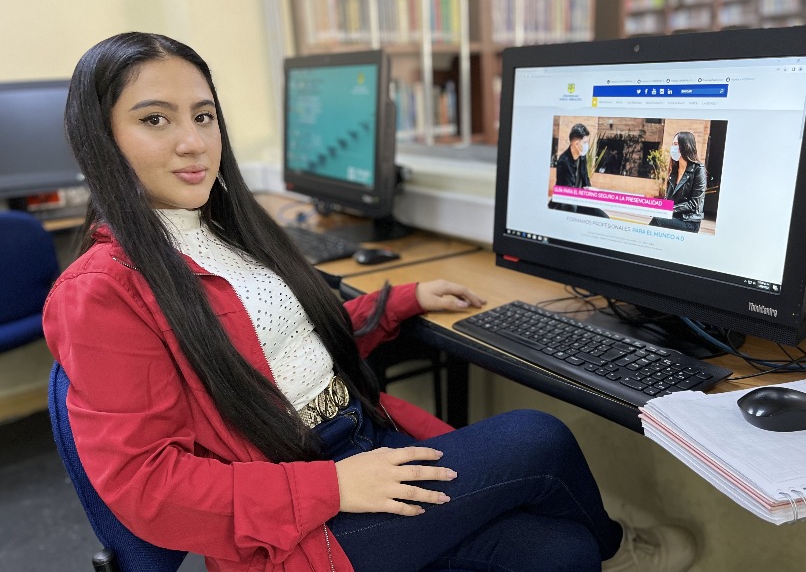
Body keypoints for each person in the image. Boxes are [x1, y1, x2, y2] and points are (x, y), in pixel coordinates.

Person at [43, 32, 695, 572]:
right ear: (99, 139)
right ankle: (623, 551)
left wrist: (401, 300)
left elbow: (287, 347)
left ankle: (599, 547)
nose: (193, 141)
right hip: (296, 515)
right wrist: (332, 487)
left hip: (359, 439)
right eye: (155, 119)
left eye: (203, 115)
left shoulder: (228, 229)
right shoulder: (101, 292)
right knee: (538, 436)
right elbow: (145, 487)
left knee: (562, 552)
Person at [649, 132, 707, 233]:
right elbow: (668, 199)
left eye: (676, 144)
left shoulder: (698, 170)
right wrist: (658, 208)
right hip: (673, 217)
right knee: (657, 219)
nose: (673, 148)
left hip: (689, 221)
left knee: (657, 221)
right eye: (672, 144)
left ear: (686, 146)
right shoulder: (674, 171)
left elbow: (694, 204)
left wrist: (669, 209)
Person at [549, 123, 609, 218]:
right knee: (573, 209)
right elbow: (567, 193)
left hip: (580, 200)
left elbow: (585, 178)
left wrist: (589, 189)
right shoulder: (564, 161)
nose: (587, 145)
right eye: (585, 142)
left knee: (604, 217)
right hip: (568, 203)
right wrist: (584, 191)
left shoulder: (582, 157)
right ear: (577, 144)